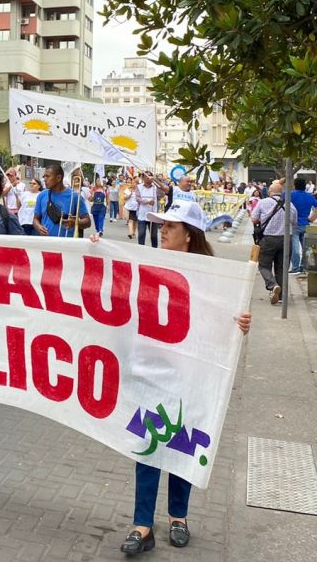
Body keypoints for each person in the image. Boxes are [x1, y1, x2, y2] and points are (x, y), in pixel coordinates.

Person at [88, 200, 251, 556]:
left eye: (170, 227)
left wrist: (238, 324)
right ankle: (142, 525)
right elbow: (120, 283)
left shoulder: (215, 276)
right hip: (152, 372)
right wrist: (96, 250)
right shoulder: (151, 263)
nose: (161, 231)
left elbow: (222, 318)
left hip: (190, 377)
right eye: (161, 225)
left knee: (182, 444)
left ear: (189, 236)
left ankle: (179, 517)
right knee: (147, 445)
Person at [251, 180, 295, 305]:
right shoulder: (290, 204)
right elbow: (294, 222)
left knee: (264, 265)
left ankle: (272, 285)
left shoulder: (263, 202)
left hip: (268, 239)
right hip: (286, 239)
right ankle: (280, 296)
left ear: (270, 192)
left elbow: (254, 219)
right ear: (281, 193)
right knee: (282, 268)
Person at [33, 163, 91, 237]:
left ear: (58, 178)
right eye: (44, 176)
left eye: (47, 176)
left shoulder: (75, 196)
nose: (44, 179)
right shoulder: (42, 195)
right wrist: (39, 227)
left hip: (66, 245)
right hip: (45, 244)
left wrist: (75, 223)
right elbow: (35, 219)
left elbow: (87, 222)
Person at [288, 178, 317, 274]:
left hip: (293, 224)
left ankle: (295, 267)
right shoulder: (309, 196)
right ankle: (303, 267)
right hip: (306, 223)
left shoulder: (291, 195)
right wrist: (312, 218)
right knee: (306, 247)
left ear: (294, 185)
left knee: (295, 248)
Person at [135, 172, 160, 247]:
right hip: (142, 214)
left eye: (150, 176)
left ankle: (155, 250)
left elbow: (162, 195)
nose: (148, 177)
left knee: (154, 235)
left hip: (153, 214)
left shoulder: (156, 187)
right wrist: (148, 201)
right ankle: (141, 249)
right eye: (146, 176)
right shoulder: (139, 187)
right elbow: (138, 199)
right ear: (143, 178)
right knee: (141, 234)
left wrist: (158, 184)